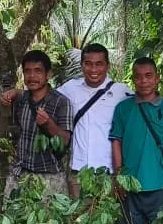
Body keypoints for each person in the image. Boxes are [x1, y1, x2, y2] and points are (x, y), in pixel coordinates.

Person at [110, 58, 163, 224]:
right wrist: (119, 175)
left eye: (148, 76)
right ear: (133, 79)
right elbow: (116, 141)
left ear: (157, 78)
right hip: (130, 185)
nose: (143, 81)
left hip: (161, 185)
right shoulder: (123, 108)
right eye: (138, 77)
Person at [54, 43, 133, 198]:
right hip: (79, 172)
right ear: (82, 65)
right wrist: (17, 92)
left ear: (107, 66)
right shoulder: (70, 88)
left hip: (109, 174)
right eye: (88, 64)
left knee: (108, 220)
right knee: (77, 218)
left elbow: (145, 100)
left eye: (99, 64)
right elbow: (46, 97)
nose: (93, 70)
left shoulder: (121, 91)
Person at [0, 50, 73, 199]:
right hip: (20, 174)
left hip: (49, 176)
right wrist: (12, 92)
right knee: (14, 220)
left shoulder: (61, 102)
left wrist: (48, 124)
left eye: (38, 71)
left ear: (48, 74)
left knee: (49, 222)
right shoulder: (21, 99)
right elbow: (21, 94)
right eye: (27, 71)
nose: (32, 76)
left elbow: (65, 140)